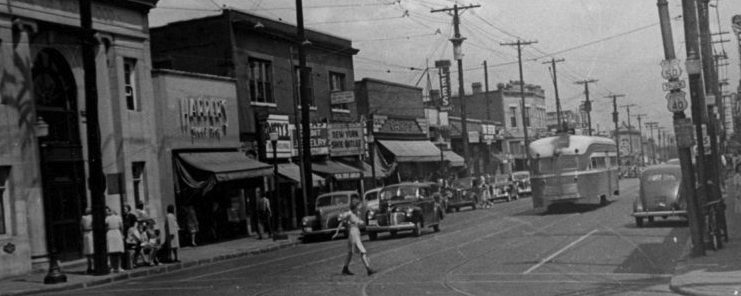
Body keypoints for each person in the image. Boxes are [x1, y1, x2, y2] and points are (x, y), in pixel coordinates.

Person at [332, 198, 375, 276]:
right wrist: (337, 232)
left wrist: (361, 222)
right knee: (363, 251)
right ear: (355, 206)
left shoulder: (356, 213)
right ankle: (368, 269)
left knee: (350, 253)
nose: (359, 208)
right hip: (353, 234)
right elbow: (341, 222)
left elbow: (357, 220)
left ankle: (345, 269)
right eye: (358, 206)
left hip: (355, 233)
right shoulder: (349, 213)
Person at [105, 207, 125, 272]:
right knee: (118, 252)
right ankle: (119, 267)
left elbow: (105, 226)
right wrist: (122, 234)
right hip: (117, 232)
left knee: (111, 252)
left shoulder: (107, 218)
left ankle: (112, 267)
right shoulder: (118, 217)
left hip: (110, 233)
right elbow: (121, 227)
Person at [80, 208, 94, 274]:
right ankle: (91, 266)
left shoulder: (83, 218)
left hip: (86, 234)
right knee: (92, 251)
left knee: (88, 252)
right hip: (91, 233)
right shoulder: (92, 217)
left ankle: (90, 267)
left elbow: (81, 227)